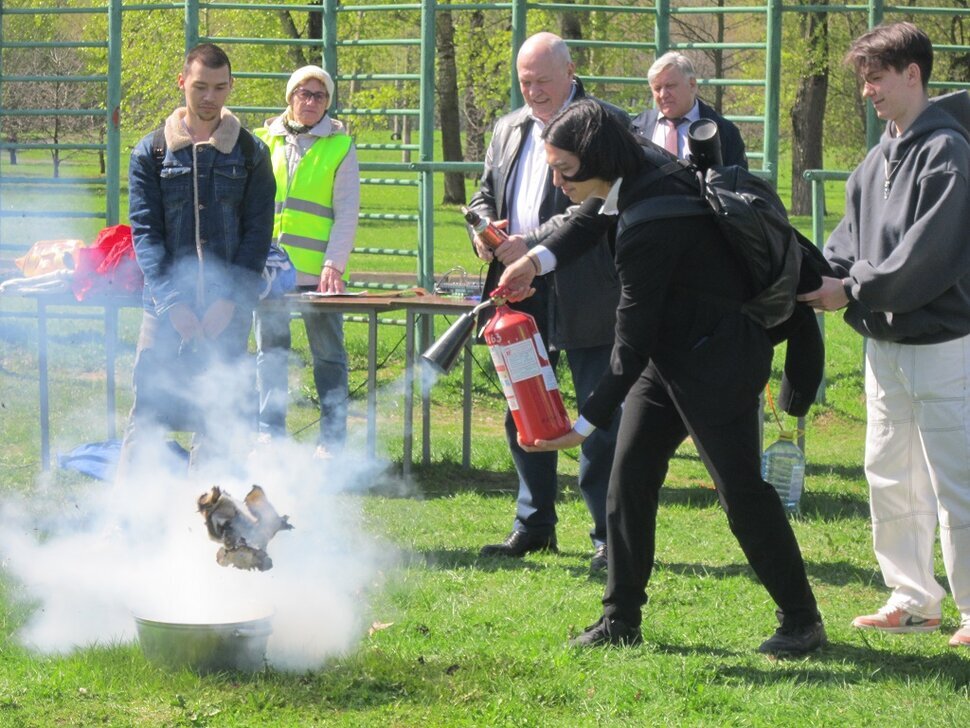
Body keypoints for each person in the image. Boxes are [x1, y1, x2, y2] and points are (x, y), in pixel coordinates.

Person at [500, 98, 826, 656]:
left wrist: (584, 423)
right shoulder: (636, 162)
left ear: (599, 157)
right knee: (629, 477)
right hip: (675, 348)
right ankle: (619, 618)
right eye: (552, 168)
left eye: (566, 170)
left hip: (719, 357)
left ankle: (802, 620)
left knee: (740, 491)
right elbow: (589, 212)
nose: (558, 181)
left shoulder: (650, 227)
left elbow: (630, 343)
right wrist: (534, 260)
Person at [799, 22, 970, 649]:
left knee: (959, 478)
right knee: (889, 473)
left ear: (913, 74)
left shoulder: (949, 152)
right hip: (884, 347)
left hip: (945, 345)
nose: (867, 91)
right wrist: (816, 277)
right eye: (863, 79)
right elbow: (846, 246)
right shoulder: (875, 160)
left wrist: (853, 288)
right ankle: (914, 598)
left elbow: (930, 257)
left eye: (876, 78)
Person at [467, 32, 623, 572]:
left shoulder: (604, 121)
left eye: (541, 81)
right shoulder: (508, 128)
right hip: (517, 288)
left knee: (598, 409)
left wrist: (532, 248)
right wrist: (487, 234)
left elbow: (599, 207)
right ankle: (533, 524)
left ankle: (608, 533)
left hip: (586, 288)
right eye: (524, 81)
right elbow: (482, 194)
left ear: (570, 71)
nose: (531, 91)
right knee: (522, 403)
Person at [120, 43, 274, 477]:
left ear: (231, 87)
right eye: (200, 86)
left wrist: (230, 301)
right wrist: (175, 304)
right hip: (163, 308)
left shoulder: (252, 154)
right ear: (182, 82)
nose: (209, 97)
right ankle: (128, 522)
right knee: (147, 413)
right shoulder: (149, 152)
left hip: (229, 308)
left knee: (220, 418)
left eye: (220, 88)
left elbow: (257, 236)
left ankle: (201, 527)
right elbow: (146, 235)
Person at [253, 66, 360, 457]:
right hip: (270, 274)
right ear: (290, 97)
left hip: (319, 274)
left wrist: (335, 264)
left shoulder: (340, 146)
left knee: (329, 354)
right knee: (271, 353)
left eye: (320, 95)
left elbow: (347, 212)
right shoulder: (262, 141)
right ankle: (269, 434)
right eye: (304, 93)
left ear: (328, 102)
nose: (311, 101)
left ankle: (331, 441)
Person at [632, 51, 747, 168]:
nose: (663, 94)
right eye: (657, 88)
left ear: (692, 84)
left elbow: (740, 183)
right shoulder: (636, 129)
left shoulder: (725, 132)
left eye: (670, 86)